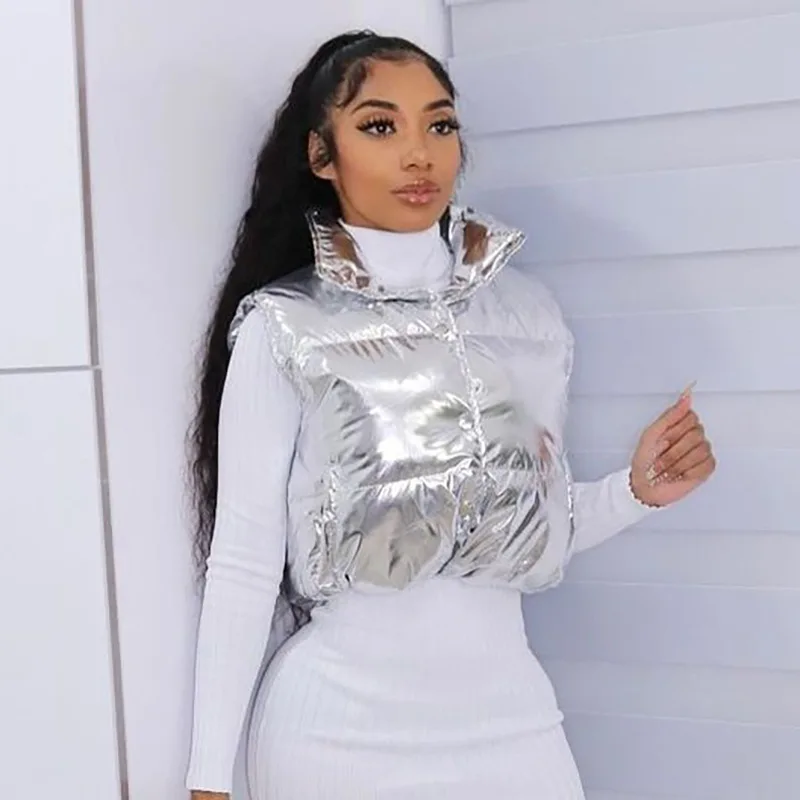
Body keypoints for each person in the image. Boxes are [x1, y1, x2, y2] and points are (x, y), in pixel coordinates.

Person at [185, 31, 716, 800]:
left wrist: (635, 492)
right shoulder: (285, 327)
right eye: (380, 126)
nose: (419, 154)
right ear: (321, 155)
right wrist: (208, 776)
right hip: (337, 732)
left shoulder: (529, 317)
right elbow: (243, 560)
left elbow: (526, 530)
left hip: (511, 719)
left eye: (439, 124)